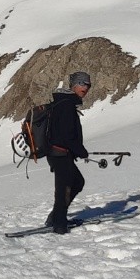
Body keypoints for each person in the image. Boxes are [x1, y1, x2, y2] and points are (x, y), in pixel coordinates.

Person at [45, 71, 93, 234]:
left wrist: (77, 151)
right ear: (74, 85)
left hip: (61, 154)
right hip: (60, 153)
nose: (86, 88)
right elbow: (67, 135)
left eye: (88, 85)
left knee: (77, 182)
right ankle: (59, 224)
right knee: (64, 188)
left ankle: (56, 217)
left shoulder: (66, 103)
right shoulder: (66, 105)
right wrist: (81, 151)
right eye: (82, 84)